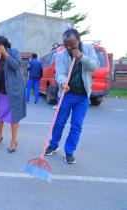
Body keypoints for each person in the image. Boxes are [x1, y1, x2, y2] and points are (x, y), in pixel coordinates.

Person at [45, 28, 99, 164]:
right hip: (66, 94)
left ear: (78, 41)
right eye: (65, 44)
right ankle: (53, 144)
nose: (68, 47)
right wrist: (63, 83)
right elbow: (60, 73)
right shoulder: (62, 54)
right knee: (59, 122)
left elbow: (95, 66)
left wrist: (81, 57)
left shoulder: (88, 49)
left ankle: (69, 152)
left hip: (82, 96)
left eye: (72, 44)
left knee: (76, 125)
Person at [0, 36, 26, 153]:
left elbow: (16, 66)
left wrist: (5, 54)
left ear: (1, 46)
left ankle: (13, 141)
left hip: (14, 91)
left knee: (13, 117)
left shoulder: (13, 52)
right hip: (1, 90)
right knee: (0, 115)